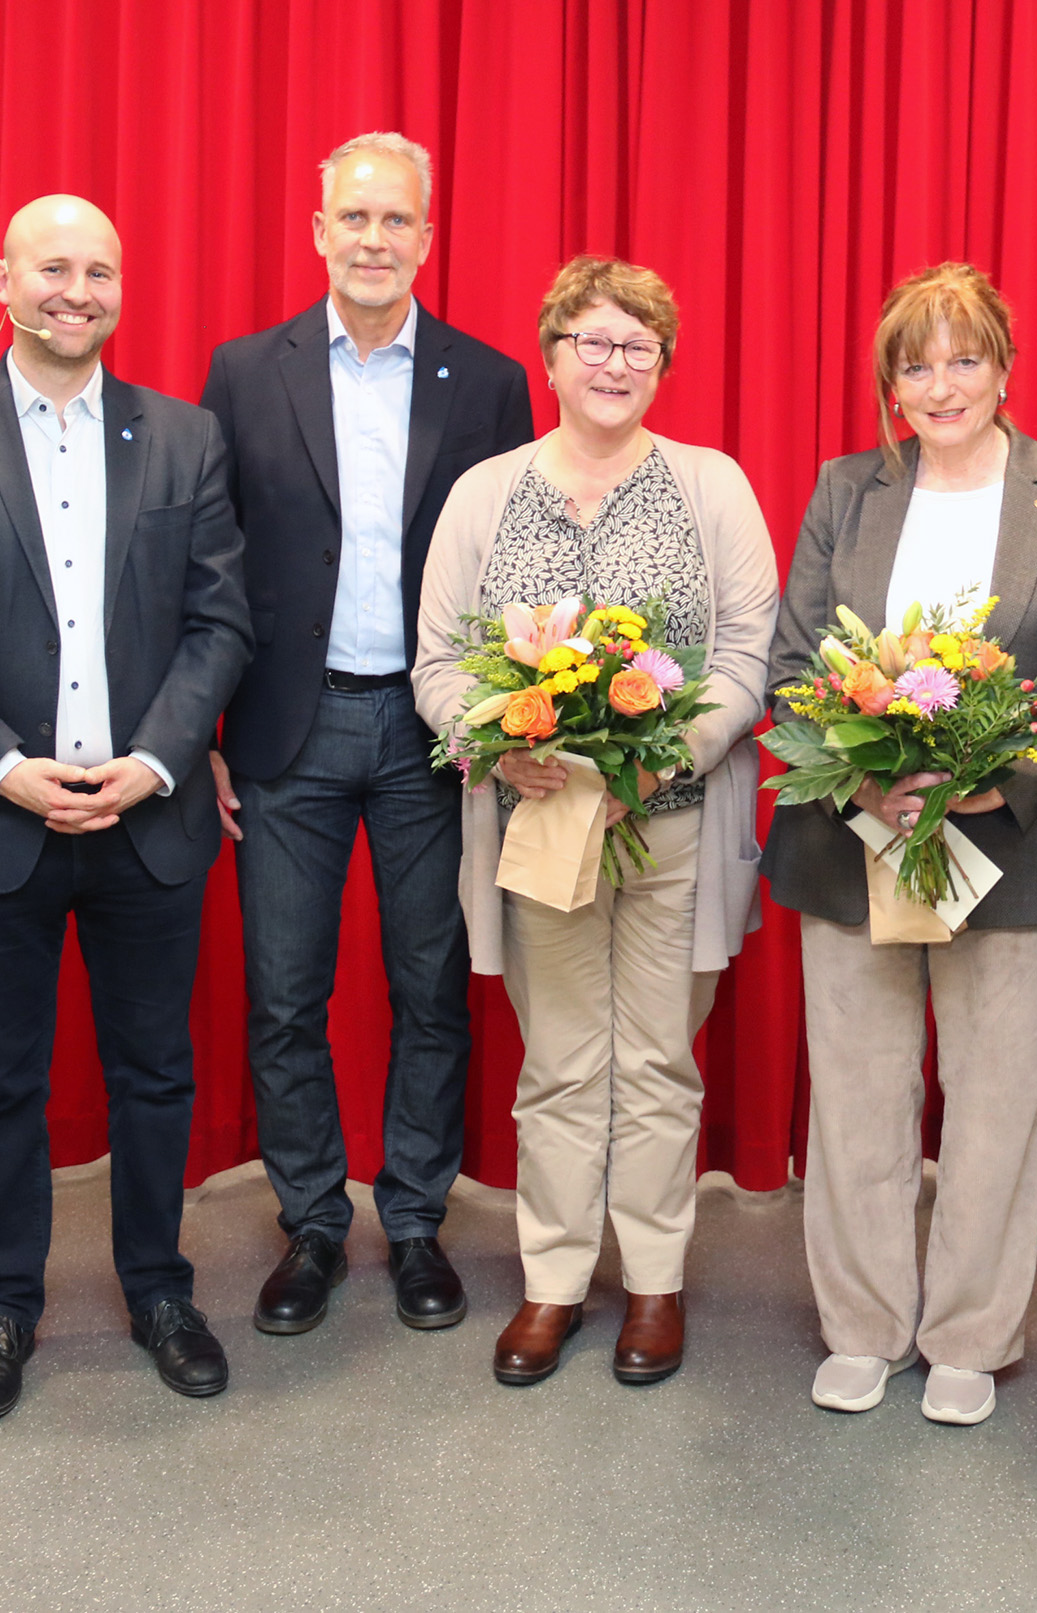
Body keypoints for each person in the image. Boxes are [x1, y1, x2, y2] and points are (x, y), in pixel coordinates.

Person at [0, 195, 253, 1419]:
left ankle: (159, 1289)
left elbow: (220, 623)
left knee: (155, 1073)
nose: (75, 291)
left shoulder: (184, 436)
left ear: (122, 289)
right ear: (4, 280)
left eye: (99, 272)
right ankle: (4, 1304)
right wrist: (3, 766)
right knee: (0, 1082)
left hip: (148, 818)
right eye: (52, 268)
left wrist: (158, 761)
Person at [414, 255, 777, 1387]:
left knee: (658, 1061)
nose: (613, 364)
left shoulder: (712, 485)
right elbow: (436, 665)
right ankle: (555, 1280)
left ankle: (655, 1281)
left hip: (673, 823)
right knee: (564, 1064)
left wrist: (663, 754)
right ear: (552, 356)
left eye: (637, 345)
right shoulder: (485, 493)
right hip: (539, 827)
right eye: (592, 341)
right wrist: (495, 742)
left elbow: (747, 652)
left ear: (662, 364)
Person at [761, 263, 1037, 1426]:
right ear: (889, 383)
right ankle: (863, 1323)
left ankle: (968, 1331)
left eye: (964, 358)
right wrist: (873, 776)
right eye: (916, 365)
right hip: (851, 830)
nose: (941, 384)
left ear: (1003, 366)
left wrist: (993, 779)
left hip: (1007, 845)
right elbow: (794, 665)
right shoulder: (843, 489)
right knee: (858, 1091)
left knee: (997, 1100)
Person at [201, 132, 532, 1338]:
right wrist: (205, 731)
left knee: (430, 989)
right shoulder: (246, 372)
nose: (374, 239)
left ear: (427, 238)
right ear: (318, 231)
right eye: (355, 217)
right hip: (284, 728)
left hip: (431, 733)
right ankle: (309, 1222)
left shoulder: (488, 380)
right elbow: (207, 559)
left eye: (396, 220)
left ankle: (414, 1219)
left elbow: (515, 565)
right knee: (284, 992)